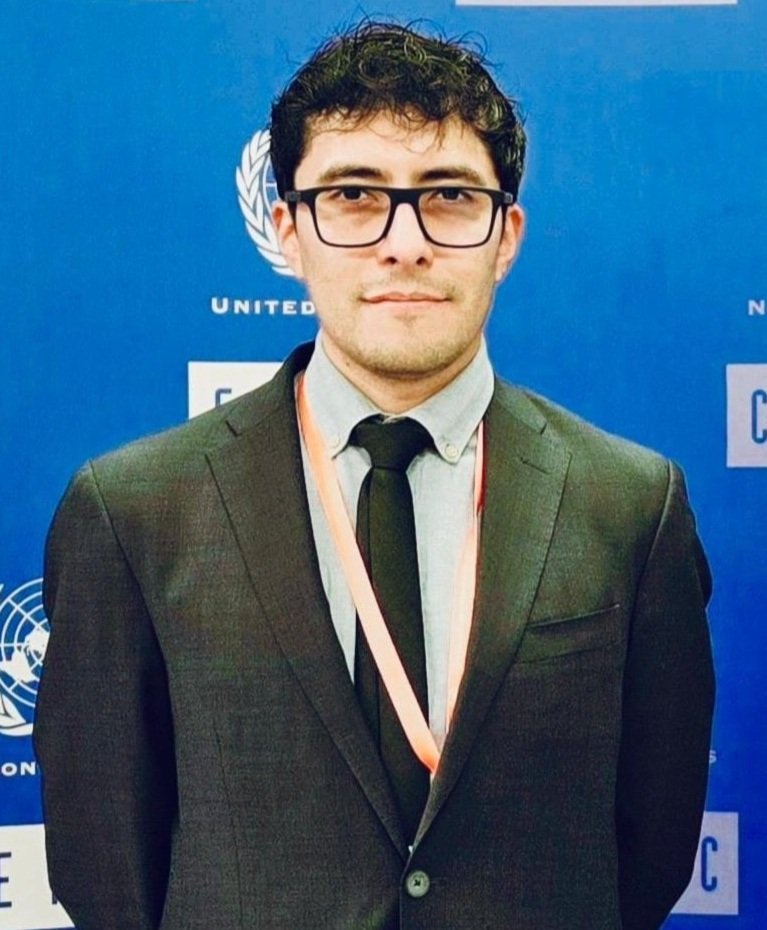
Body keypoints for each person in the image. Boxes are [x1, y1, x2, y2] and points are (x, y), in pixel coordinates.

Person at [35, 20, 715, 930]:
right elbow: (106, 868)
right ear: (287, 231)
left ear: (505, 236)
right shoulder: (135, 511)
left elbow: (649, 846)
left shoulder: (629, 503)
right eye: (354, 195)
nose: (404, 243)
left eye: (449, 196)